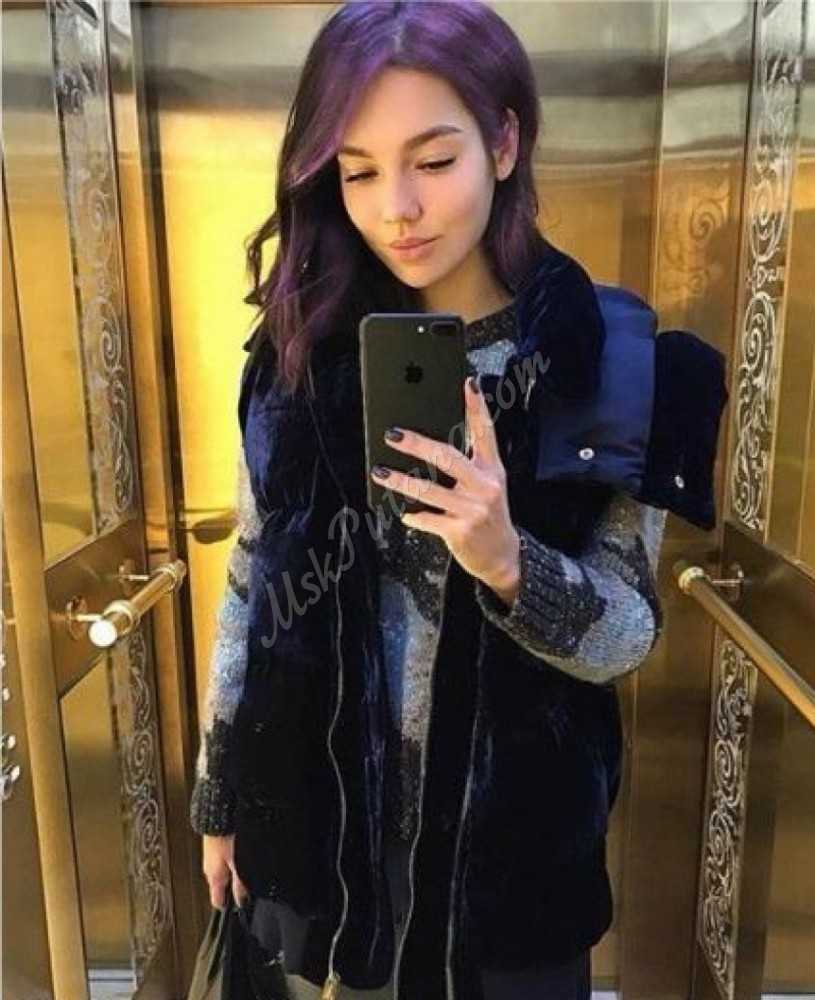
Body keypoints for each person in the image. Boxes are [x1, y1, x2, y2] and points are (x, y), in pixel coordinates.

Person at [189, 3, 674, 998]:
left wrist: (507, 561)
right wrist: (220, 797)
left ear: (503, 142)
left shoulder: (604, 359)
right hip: (318, 844)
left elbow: (626, 634)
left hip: (511, 868)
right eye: (357, 171)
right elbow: (251, 581)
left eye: (434, 160)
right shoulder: (297, 352)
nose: (396, 209)